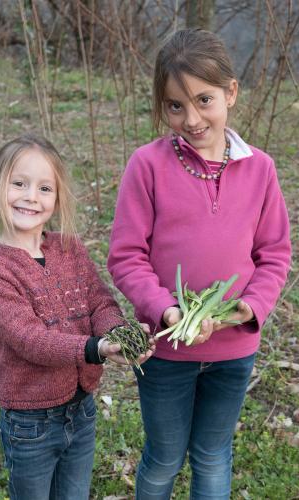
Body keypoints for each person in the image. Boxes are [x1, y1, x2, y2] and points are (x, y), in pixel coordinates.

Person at [107, 28, 291, 499]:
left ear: (231, 92)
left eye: (203, 99)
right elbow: (127, 257)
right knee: (164, 456)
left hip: (233, 354)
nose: (191, 118)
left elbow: (274, 255)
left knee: (212, 456)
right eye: (175, 106)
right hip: (167, 353)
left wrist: (245, 310)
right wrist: (168, 311)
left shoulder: (260, 169)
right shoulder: (146, 166)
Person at [0, 133, 154, 500]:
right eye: (18, 184)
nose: (30, 197)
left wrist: (119, 334)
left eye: (44, 188)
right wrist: (96, 347)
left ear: (56, 197)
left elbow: (99, 302)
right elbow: (28, 339)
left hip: (81, 411)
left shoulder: (69, 248)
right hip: (29, 422)